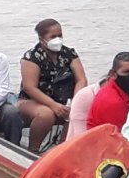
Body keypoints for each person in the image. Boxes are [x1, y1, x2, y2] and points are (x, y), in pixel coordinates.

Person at [18, 19, 88, 152]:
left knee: (77, 112)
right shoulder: (32, 57)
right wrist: (53, 105)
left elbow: (81, 80)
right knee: (46, 114)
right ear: (42, 38)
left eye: (60, 35)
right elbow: (29, 87)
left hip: (63, 100)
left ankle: (62, 149)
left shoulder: (69, 54)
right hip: (32, 101)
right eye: (53, 37)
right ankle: (33, 150)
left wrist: (75, 102)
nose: (58, 39)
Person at [86, 52, 129, 131]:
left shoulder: (122, 91)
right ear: (113, 74)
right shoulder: (113, 101)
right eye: (126, 72)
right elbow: (121, 137)